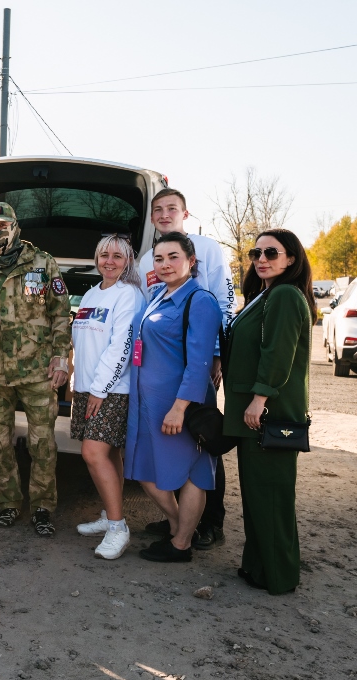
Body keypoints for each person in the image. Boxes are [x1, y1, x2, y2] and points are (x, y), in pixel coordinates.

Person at [0, 201, 71, 536]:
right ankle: (8, 504)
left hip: (37, 371)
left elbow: (60, 314)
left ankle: (42, 508)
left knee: (42, 444)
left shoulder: (42, 262)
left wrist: (61, 357)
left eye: (3, 225)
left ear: (15, 225)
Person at [137, 188, 235, 550]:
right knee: (174, 454)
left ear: (185, 212)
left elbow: (222, 304)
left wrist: (216, 357)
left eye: (171, 208)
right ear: (151, 218)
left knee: (201, 446)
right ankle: (180, 524)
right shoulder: (148, 259)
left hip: (194, 370)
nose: (164, 214)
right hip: (162, 371)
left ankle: (208, 525)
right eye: (158, 210)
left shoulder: (207, 249)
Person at [223, 229, 315, 594]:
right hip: (256, 414)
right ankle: (258, 566)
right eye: (255, 252)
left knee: (272, 497)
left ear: (291, 258)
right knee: (258, 494)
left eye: (271, 252)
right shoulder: (266, 295)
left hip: (268, 414)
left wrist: (260, 399)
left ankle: (279, 576)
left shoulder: (286, 296)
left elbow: (278, 354)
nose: (261, 258)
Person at [125, 231, 221, 563]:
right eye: (159, 258)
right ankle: (180, 529)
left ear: (191, 262)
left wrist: (180, 408)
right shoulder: (159, 295)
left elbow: (200, 362)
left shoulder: (200, 300)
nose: (165, 264)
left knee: (193, 471)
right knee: (145, 470)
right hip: (149, 402)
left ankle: (180, 544)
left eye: (173, 257)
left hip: (179, 405)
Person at [71, 235, 145, 559]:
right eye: (104, 255)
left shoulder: (128, 294)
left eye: (117, 256)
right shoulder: (90, 293)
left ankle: (118, 528)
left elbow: (122, 347)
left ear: (128, 260)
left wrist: (99, 389)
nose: (110, 261)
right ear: (97, 258)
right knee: (109, 454)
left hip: (111, 390)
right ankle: (109, 514)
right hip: (87, 386)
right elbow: (81, 340)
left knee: (93, 454)